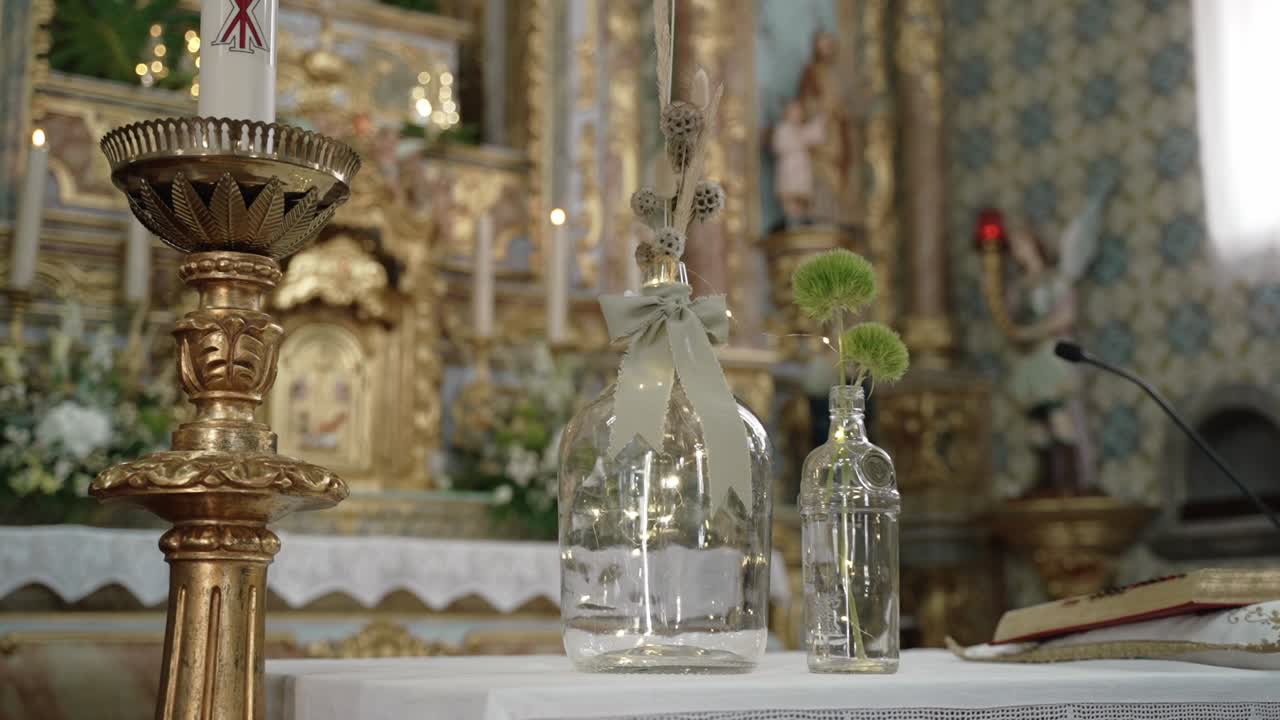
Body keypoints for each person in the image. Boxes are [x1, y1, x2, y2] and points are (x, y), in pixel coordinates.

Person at [771, 99, 824, 224]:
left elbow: (814, 135)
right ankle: (790, 218)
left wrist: (820, 118)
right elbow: (778, 146)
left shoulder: (800, 129)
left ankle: (800, 217)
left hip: (800, 169)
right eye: (793, 112)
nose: (796, 115)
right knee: (789, 195)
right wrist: (797, 141)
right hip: (788, 168)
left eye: (798, 112)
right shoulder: (783, 129)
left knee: (801, 195)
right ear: (787, 113)